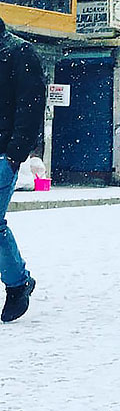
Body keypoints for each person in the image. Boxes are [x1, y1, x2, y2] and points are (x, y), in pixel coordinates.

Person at [0, 16, 44, 322]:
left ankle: (17, 285)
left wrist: (14, 155)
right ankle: (20, 280)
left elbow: (30, 105)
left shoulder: (18, 52)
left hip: (2, 156)